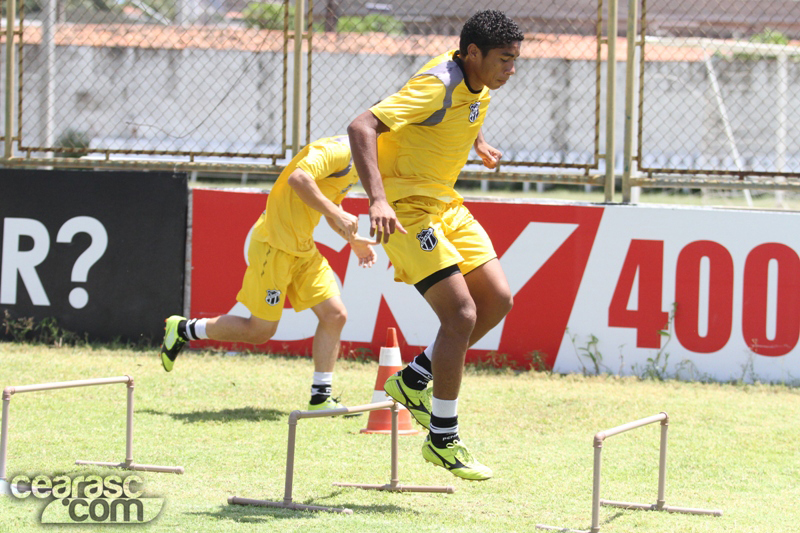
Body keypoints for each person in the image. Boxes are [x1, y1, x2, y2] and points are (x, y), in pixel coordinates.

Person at [347, 10, 523, 481]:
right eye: (505, 60)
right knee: (461, 315)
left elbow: (463, 111)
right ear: (472, 54)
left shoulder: (477, 81)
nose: (512, 69)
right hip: (407, 209)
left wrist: (479, 142)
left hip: (445, 203)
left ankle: (413, 379)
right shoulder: (435, 84)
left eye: (515, 60)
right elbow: (361, 126)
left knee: (498, 300)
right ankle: (443, 440)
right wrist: (378, 199)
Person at [159, 134, 377, 412]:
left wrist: (353, 240)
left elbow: (329, 204)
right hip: (274, 247)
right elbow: (298, 179)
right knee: (260, 331)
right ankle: (183, 329)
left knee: (335, 315)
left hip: (304, 248)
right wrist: (337, 212)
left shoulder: (360, 160)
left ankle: (320, 397)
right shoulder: (336, 150)